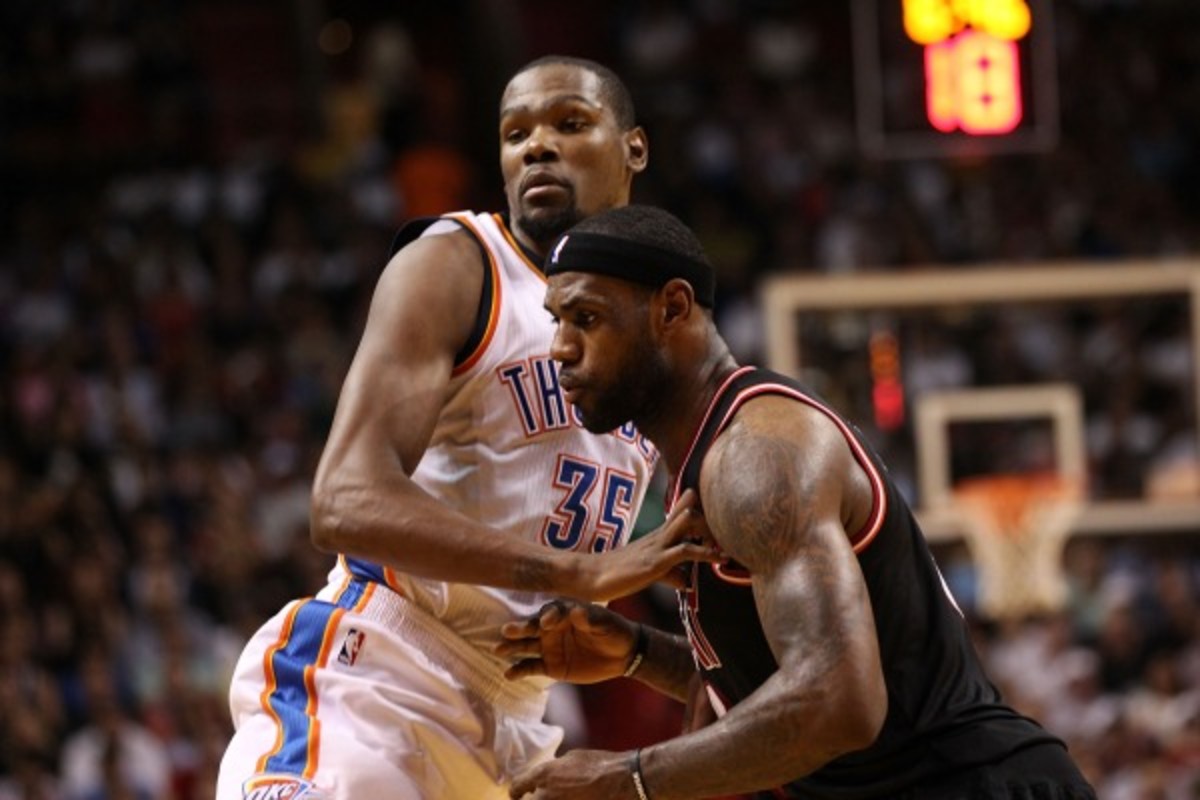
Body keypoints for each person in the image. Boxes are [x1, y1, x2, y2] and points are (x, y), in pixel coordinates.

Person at [216, 57, 718, 800]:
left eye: (569, 123)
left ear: (633, 148)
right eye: (516, 134)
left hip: (511, 720)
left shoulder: (651, 340)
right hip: (374, 678)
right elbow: (343, 500)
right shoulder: (458, 264)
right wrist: (575, 574)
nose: (537, 146)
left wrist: (650, 656)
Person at [498, 204, 1098, 799]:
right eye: (557, 321)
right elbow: (789, 679)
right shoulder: (706, 460)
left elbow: (839, 703)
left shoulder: (755, 455)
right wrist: (639, 653)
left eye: (587, 319)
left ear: (673, 308)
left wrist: (625, 778)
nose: (561, 348)